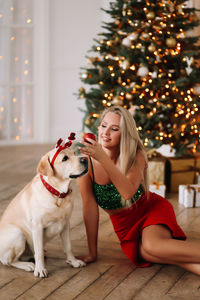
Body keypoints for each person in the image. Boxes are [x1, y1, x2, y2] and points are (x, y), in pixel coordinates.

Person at [77, 106, 200, 275]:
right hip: (124, 226)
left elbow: (127, 193)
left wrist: (103, 159)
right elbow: (89, 209)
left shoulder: (136, 155)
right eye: (103, 125)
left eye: (114, 129)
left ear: (125, 134)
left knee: (152, 246)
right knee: (148, 253)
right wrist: (92, 252)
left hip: (150, 210)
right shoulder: (86, 163)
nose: (105, 133)